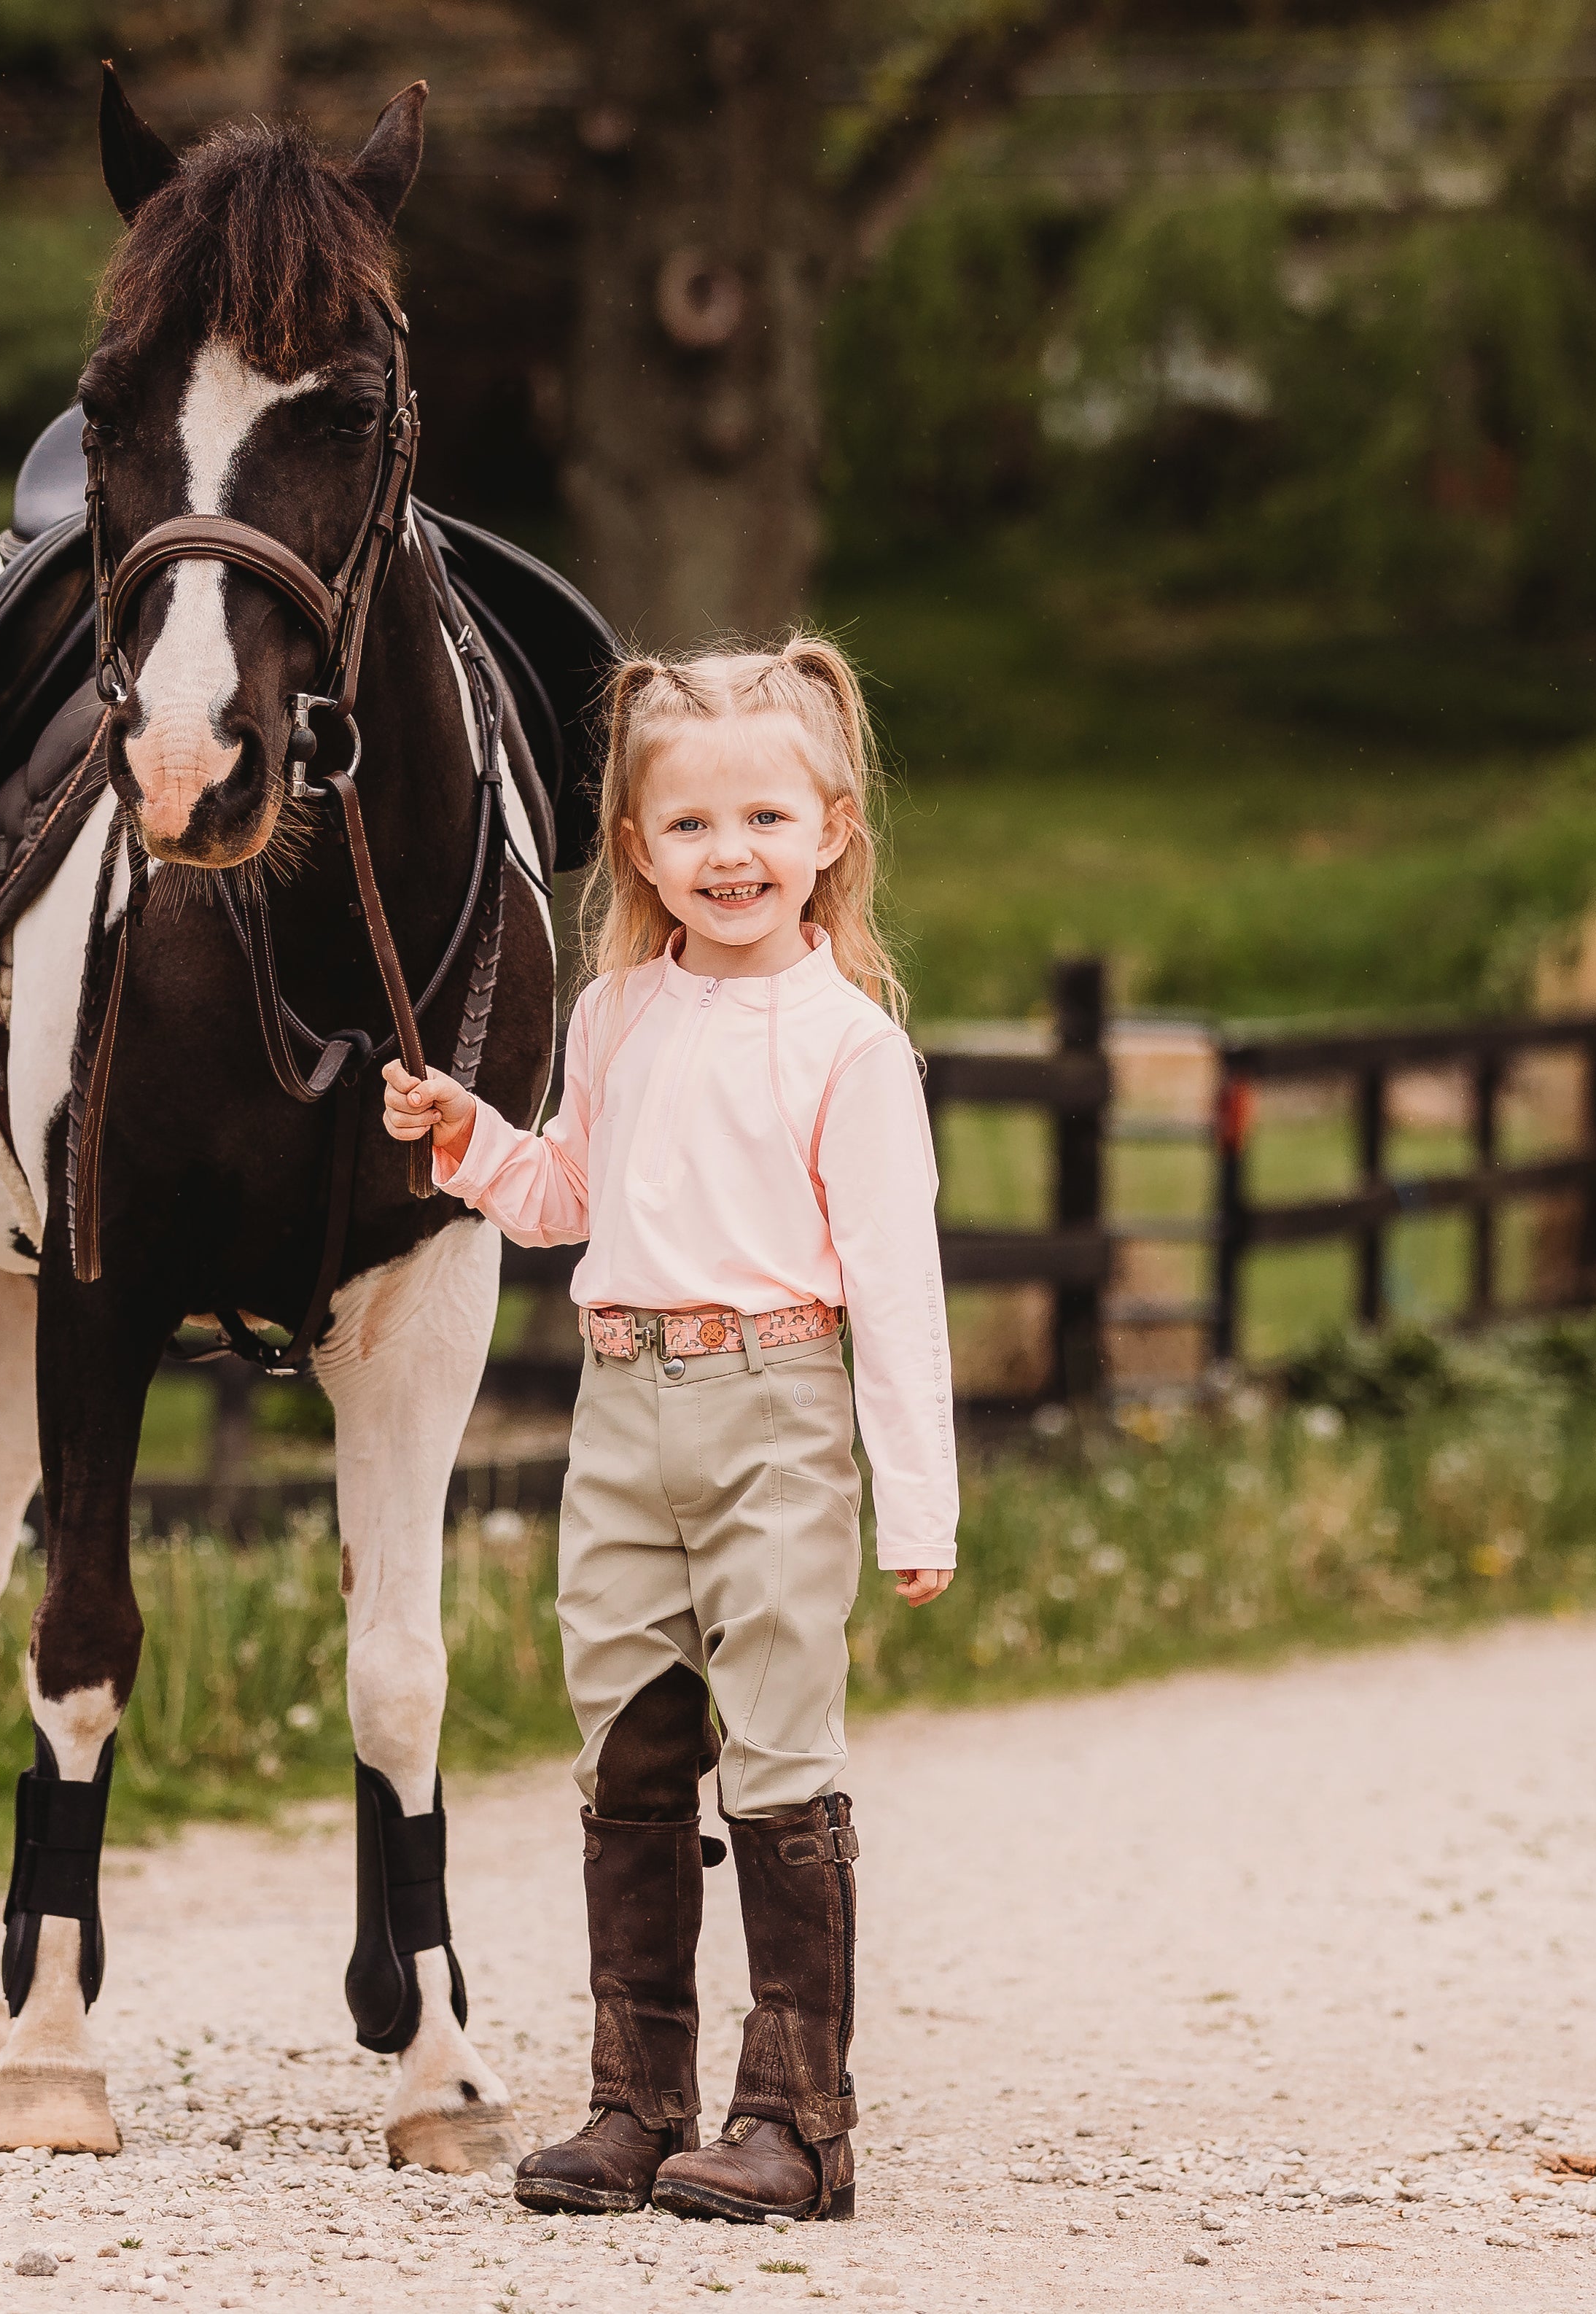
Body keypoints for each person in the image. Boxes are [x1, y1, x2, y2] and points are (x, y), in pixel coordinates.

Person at [382, 636, 957, 2226]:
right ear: (638, 848)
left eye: (768, 821)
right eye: (694, 828)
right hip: (622, 1407)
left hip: (777, 1407)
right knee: (630, 1740)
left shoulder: (849, 1048)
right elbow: (572, 1197)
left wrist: (917, 1509)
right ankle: (639, 2101)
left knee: (776, 1744)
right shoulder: (617, 1013)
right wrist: (470, 1142)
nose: (732, 856)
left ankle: (797, 2120)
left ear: (833, 831)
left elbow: (897, 1293)